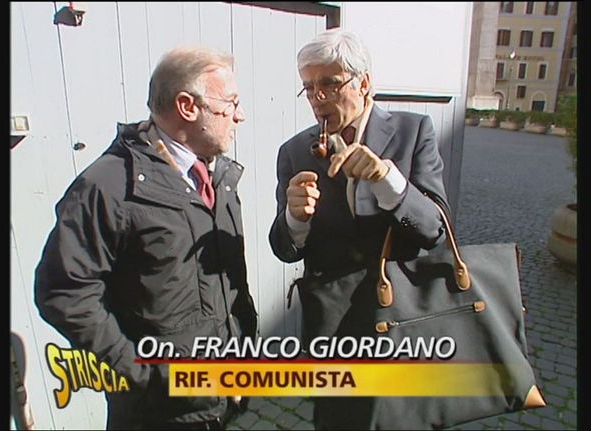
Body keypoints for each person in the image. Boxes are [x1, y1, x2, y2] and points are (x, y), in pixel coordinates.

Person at [35, 46, 257, 430]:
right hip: (158, 413)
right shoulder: (109, 186)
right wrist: (144, 374)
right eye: (230, 103)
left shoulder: (217, 177)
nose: (240, 115)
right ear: (187, 106)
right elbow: (64, 293)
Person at [268, 29, 450, 429]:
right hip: (332, 330)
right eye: (308, 87)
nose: (318, 97)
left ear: (364, 83)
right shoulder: (295, 151)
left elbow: (435, 230)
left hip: (400, 319)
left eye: (329, 84)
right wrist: (295, 219)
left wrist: (388, 180)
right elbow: (284, 248)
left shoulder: (413, 132)